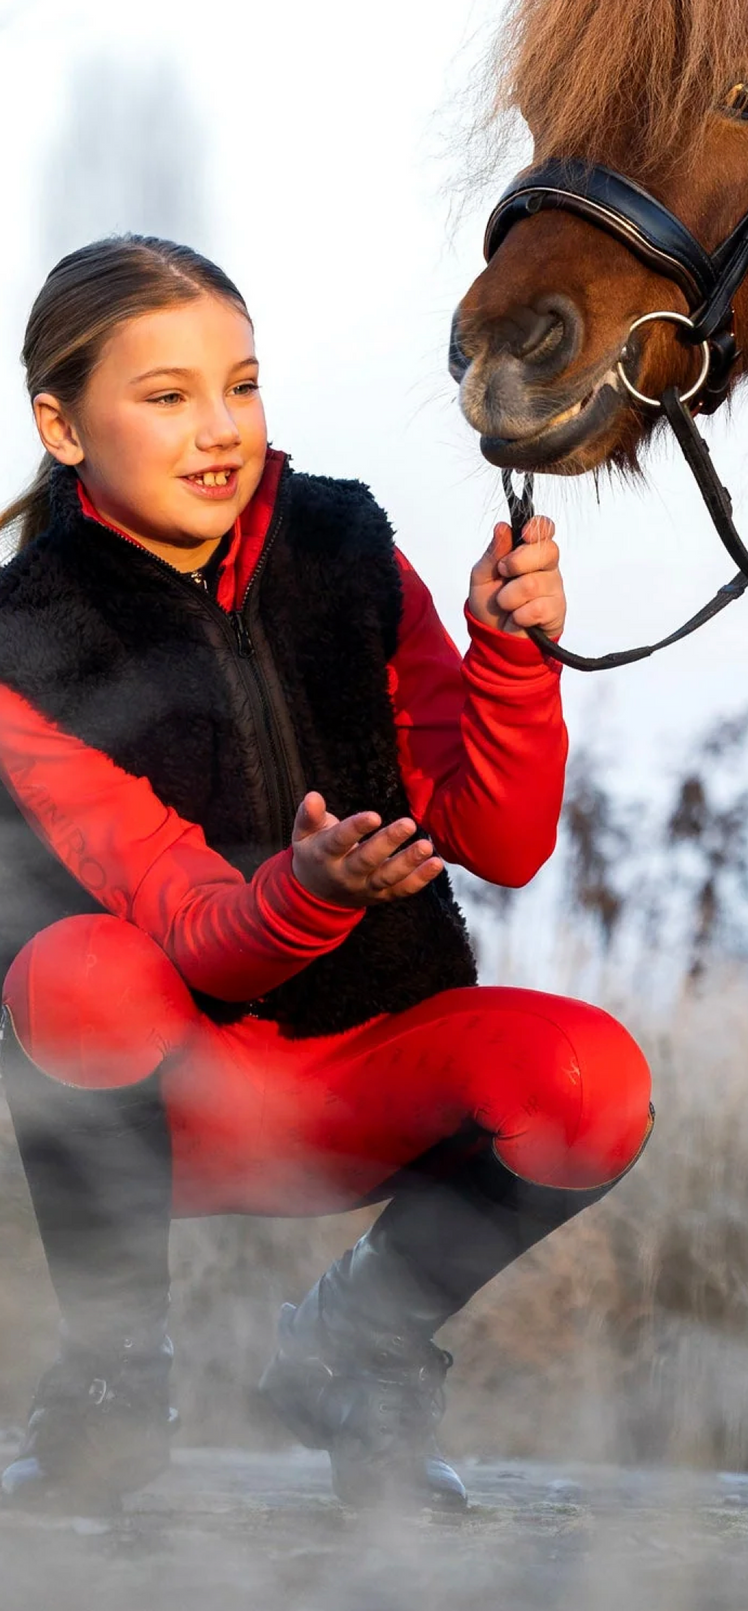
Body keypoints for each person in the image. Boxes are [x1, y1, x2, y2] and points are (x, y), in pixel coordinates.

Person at [0, 235, 653, 1512]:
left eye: (241, 385)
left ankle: (358, 1349)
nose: (220, 429)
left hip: (371, 1065)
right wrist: (312, 891)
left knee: (594, 1082)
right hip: (162, 1097)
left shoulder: (343, 541)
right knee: (75, 969)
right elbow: (185, 923)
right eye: (168, 394)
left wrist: (515, 658)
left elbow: (499, 835)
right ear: (62, 426)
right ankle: (113, 1385)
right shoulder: (22, 637)